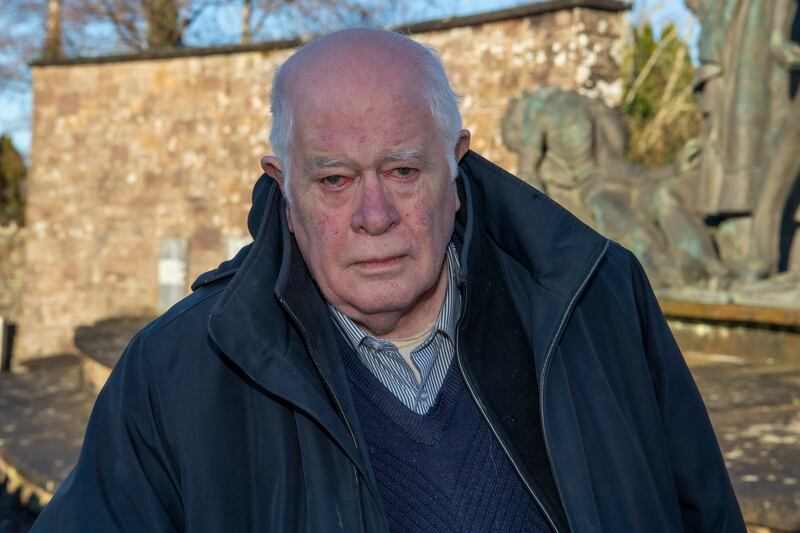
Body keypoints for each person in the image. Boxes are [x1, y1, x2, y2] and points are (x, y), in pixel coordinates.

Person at [31, 28, 745, 532]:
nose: (374, 215)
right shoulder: (173, 376)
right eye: (335, 179)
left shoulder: (603, 302)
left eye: (403, 171)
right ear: (283, 187)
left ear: (456, 168)